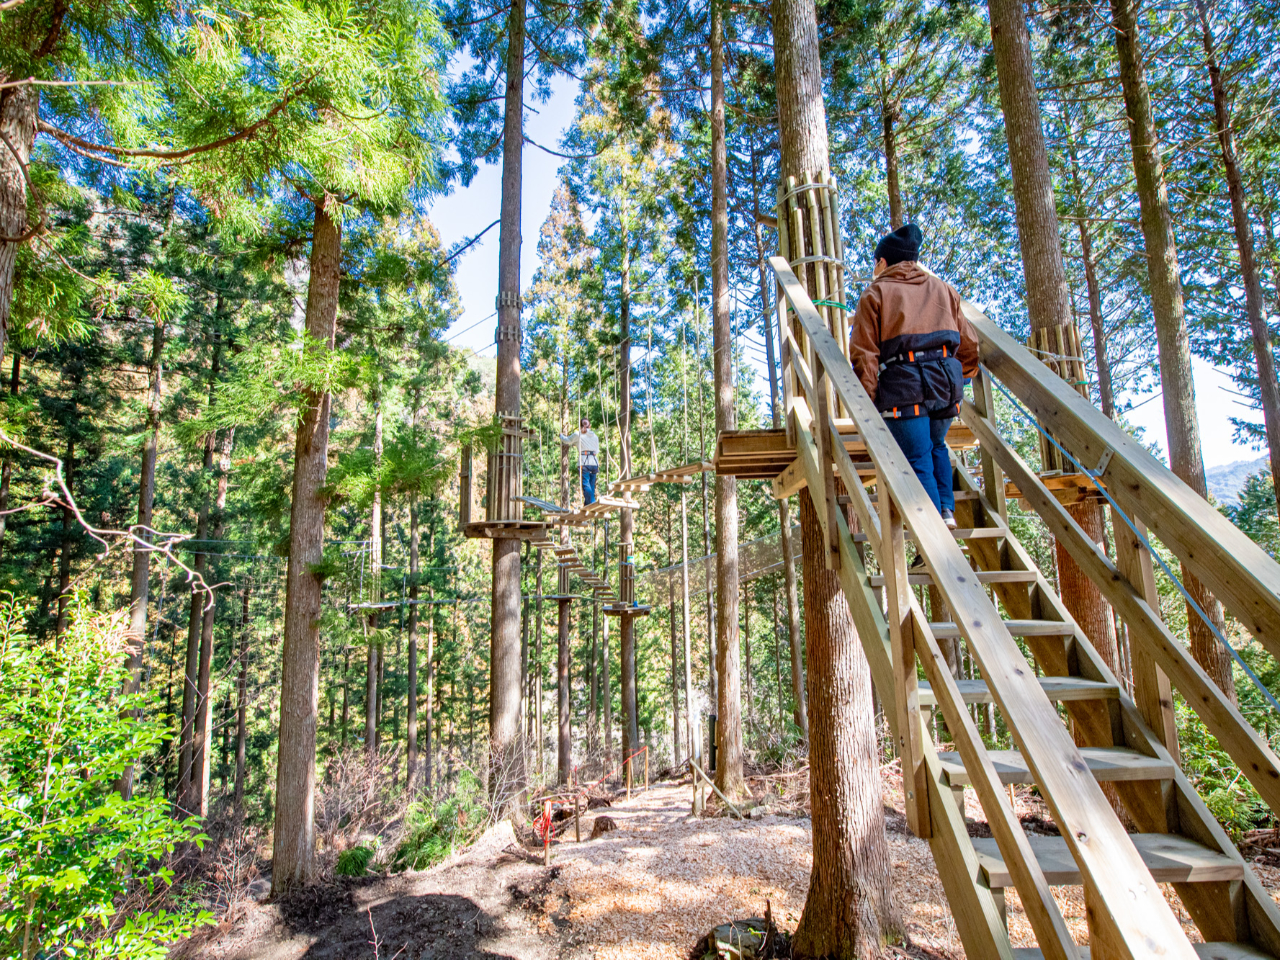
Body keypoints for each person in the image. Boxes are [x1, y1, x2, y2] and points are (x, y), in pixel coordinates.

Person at [849, 223, 979, 529]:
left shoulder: (876, 293)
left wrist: (867, 402)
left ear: (882, 262)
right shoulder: (944, 290)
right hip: (945, 383)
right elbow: (970, 343)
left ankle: (934, 533)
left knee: (917, 456)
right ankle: (946, 511)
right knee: (937, 446)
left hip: (904, 387)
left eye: (875, 262)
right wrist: (964, 376)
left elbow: (864, 355)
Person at [559, 417, 601, 505]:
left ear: (580, 426)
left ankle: (591, 502)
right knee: (591, 485)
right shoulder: (595, 436)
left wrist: (561, 436)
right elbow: (596, 451)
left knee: (586, 485)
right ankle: (588, 504)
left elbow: (567, 441)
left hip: (584, 462)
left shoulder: (578, 435)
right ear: (590, 425)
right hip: (594, 462)